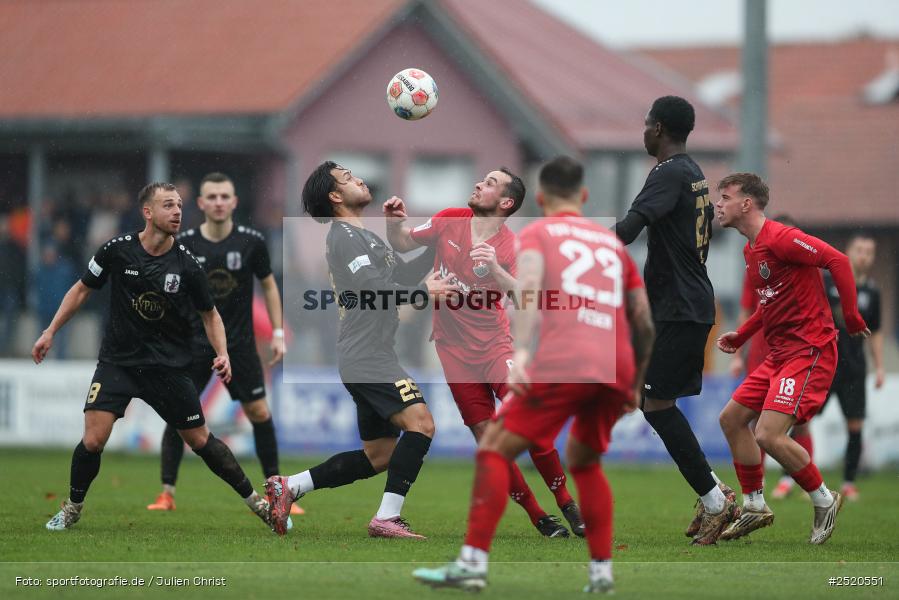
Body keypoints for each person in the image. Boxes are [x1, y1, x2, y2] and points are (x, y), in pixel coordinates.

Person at [412, 156, 654, 593]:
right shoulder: (612, 244)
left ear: (540, 199)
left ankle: (471, 564)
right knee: (586, 461)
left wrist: (522, 353)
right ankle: (600, 573)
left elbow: (526, 297)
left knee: (493, 450)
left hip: (562, 360)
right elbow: (642, 317)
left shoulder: (538, 234)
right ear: (583, 197)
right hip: (612, 365)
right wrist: (635, 383)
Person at [33, 182, 275, 531]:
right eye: (168, 206)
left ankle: (258, 504)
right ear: (148, 212)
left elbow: (211, 315)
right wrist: (50, 331)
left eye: (179, 205)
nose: (177, 212)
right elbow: (82, 289)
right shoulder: (117, 250)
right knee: (93, 440)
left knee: (200, 440)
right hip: (118, 363)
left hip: (168, 368)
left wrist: (222, 353)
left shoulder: (188, 264)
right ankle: (72, 507)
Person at [383, 168, 582, 538]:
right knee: (489, 439)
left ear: (505, 202)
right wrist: (395, 224)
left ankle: (567, 502)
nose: (478, 184)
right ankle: (539, 517)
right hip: (453, 352)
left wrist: (493, 267)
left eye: (490, 183)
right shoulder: (449, 221)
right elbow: (405, 243)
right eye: (482, 179)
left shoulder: (511, 246)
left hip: (495, 347)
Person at [265, 161, 458, 539]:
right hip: (367, 356)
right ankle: (387, 518)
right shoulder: (344, 237)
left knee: (379, 456)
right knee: (422, 424)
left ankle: (291, 486)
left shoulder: (363, 236)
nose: (359, 179)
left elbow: (397, 277)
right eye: (348, 178)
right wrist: (424, 293)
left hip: (368, 354)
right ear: (335, 197)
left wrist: (439, 245)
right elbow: (374, 290)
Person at [714, 173, 869, 544]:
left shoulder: (781, 237)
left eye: (725, 197)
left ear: (746, 204)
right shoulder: (751, 250)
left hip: (809, 351)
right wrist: (744, 335)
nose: (718, 204)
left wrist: (850, 316)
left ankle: (824, 499)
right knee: (732, 419)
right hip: (780, 354)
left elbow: (838, 261)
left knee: (768, 434)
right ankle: (754, 505)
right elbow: (770, 303)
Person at [613, 95, 737, 544]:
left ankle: (716, 501)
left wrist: (580, 248)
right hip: (683, 305)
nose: (643, 132)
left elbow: (629, 228)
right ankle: (714, 491)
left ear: (660, 128)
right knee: (656, 403)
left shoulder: (668, 174)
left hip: (680, 308)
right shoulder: (693, 173)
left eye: (647, 124)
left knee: (655, 404)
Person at [145, 172, 297, 515]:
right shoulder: (182, 243)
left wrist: (275, 332)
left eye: (223, 196)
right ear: (200, 203)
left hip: (240, 345)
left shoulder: (251, 242)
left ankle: (277, 491)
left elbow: (269, 286)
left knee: (259, 412)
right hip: (193, 344)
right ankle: (166, 492)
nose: (217, 202)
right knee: (178, 415)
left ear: (234, 202)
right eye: (210, 197)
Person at [770, 233, 883, 502]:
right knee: (799, 421)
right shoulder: (829, 281)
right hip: (824, 364)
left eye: (869, 251)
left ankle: (849, 483)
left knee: (855, 425)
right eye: (859, 249)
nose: (864, 255)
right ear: (849, 251)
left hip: (854, 368)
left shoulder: (873, 292)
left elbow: (875, 331)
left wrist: (879, 367)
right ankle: (789, 478)